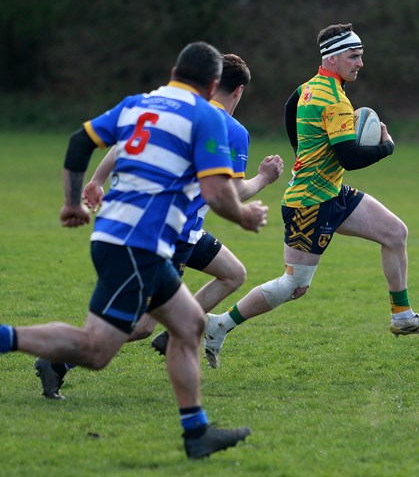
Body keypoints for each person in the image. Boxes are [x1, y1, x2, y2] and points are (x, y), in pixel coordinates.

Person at [0, 41, 269, 459]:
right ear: (213, 84)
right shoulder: (206, 117)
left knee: (189, 325)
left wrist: (73, 201)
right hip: (136, 243)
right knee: (95, 349)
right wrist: (246, 215)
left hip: (129, 237)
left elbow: (79, 140)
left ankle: (196, 434)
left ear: (175, 71)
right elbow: (218, 193)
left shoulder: (139, 104)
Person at [34, 53, 283, 398]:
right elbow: (231, 192)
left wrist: (97, 180)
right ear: (238, 90)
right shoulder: (231, 129)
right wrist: (264, 178)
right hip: (173, 234)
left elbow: (125, 144)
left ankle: (176, 331)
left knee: (233, 273)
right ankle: (59, 360)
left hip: (175, 227)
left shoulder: (175, 110)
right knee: (140, 326)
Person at [202, 23, 419, 369]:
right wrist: (387, 147)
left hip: (333, 192)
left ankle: (402, 315)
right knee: (294, 286)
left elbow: (290, 107)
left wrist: (303, 154)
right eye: (354, 56)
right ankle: (219, 324)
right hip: (309, 204)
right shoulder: (334, 99)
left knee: (395, 232)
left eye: (360, 55)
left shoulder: (309, 88)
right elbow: (350, 157)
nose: (360, 63)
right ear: (332, 58)